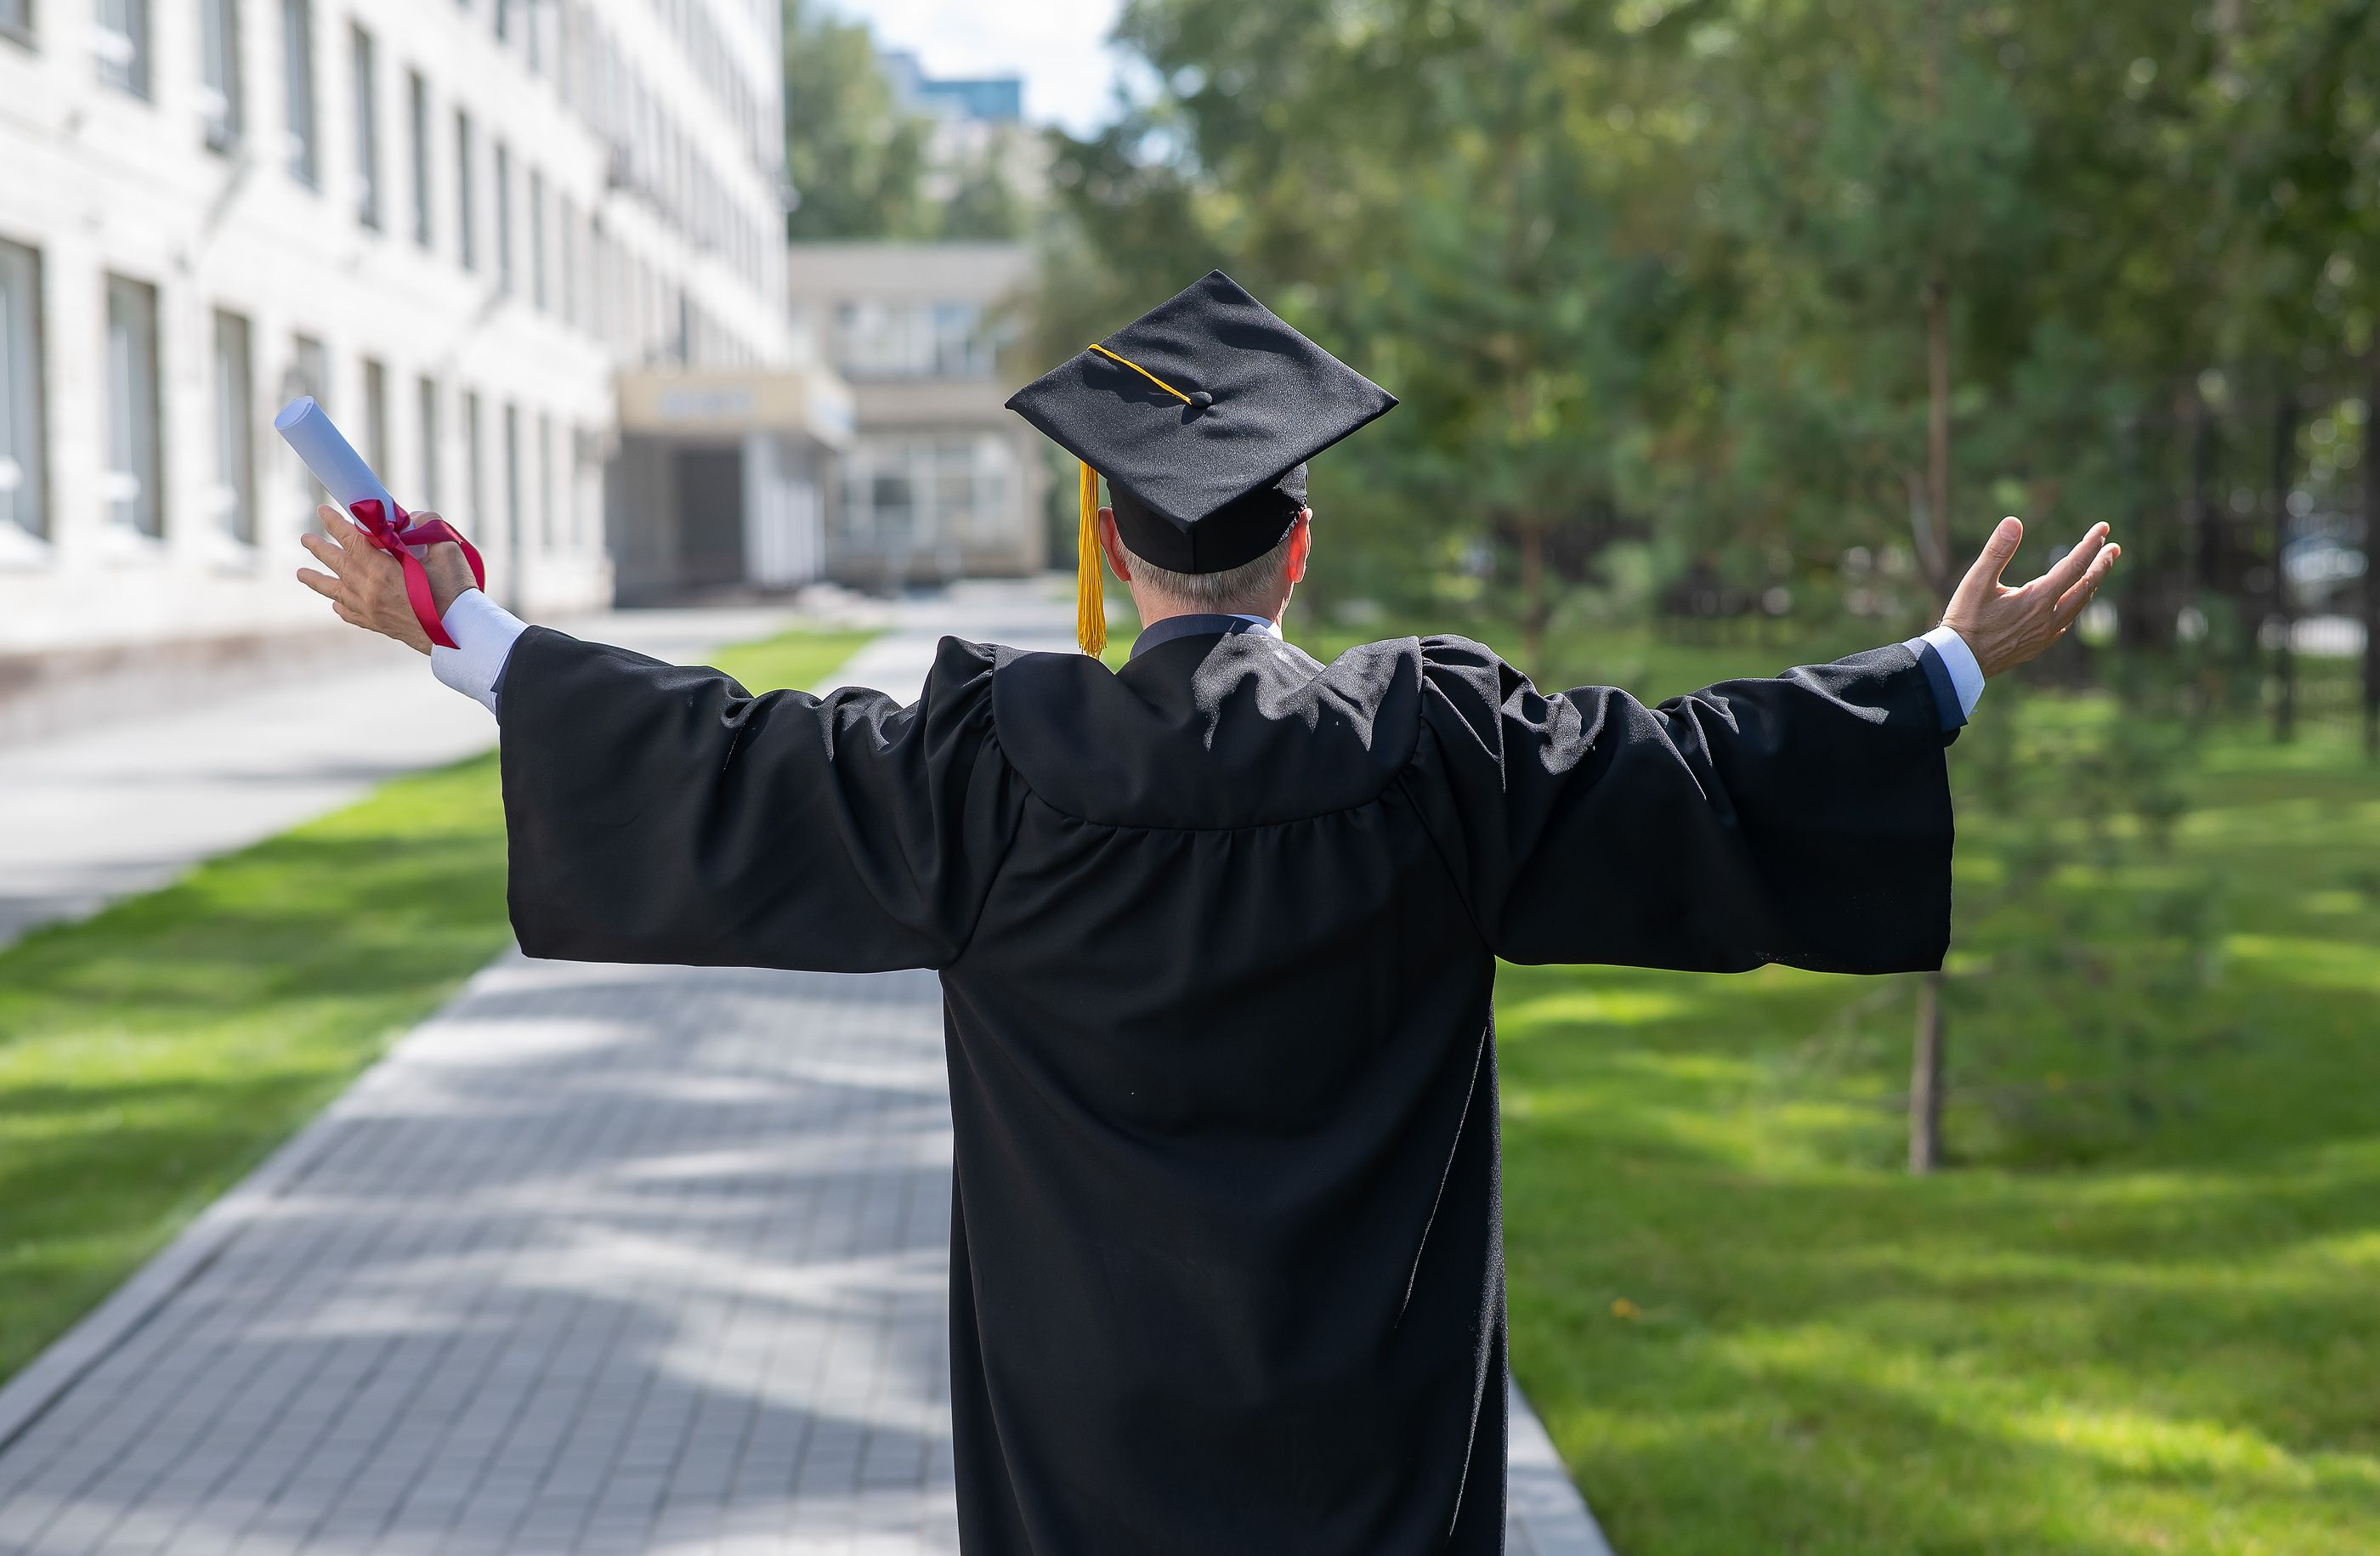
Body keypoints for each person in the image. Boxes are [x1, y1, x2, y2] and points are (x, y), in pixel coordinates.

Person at [298, 270, 2118, 1555]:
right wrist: (1948, 662)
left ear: (1107, 543)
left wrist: (464, 628)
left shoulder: (984, 763)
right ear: (1298, 550)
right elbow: (1711, 769)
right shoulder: (1439, 750)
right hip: (1370, 1443)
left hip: (1081, 1445)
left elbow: (716, 755)